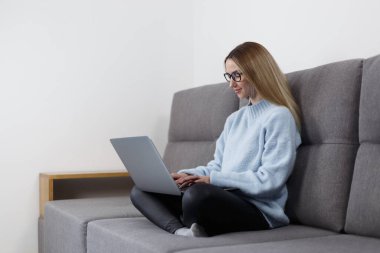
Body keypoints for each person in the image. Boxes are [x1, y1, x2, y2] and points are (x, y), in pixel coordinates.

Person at [130, 41, 302, 237]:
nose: (231, 83)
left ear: (257, 72)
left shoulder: (279, 117)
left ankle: (189, 219)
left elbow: (269, 180)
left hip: (258, 210)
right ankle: (182, 231)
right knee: (142, 190)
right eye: (229, 76)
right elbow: (217, 166)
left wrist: (212, 180)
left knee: (198, 195)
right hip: (225, 198)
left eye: (237, 75)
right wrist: (184, 176)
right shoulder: (234, 120)